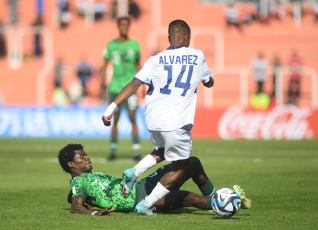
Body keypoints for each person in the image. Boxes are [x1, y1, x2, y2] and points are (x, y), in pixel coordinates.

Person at [102, 19, 215, 215]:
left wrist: (111, 107)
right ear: (187, 38)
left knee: (162, 149)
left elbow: (134, 84)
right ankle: (147, 203)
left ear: (169, 38)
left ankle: (133, 173)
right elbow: (209, 82)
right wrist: (207, 80)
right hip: (177, 121)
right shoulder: (197, 56)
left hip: (153, 119)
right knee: (182, 165)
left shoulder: (156, 59)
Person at [58, 144, 251, 215]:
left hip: (143, 185)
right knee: (186, 198)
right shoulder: (78, 182)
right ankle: (221, 205)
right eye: (81, 157)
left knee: (191, 162)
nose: (87, 158)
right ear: (70, 165)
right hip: (140, 200)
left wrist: (78, 198)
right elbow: (76, 206)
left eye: (86, 155)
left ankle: (214, 194)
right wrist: (94, 213)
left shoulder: (87, 178)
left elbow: (72, 197)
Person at [100, 16, 141, 161]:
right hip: (115, 87)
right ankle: (113, 151)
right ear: (118, 26)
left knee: (132, 118)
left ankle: (136, 152)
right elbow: (104, 65)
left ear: (129, 26)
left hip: (131, 88)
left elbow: (138, 65)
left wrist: (141, 85)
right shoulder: (111, 45)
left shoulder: (134, 45)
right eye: (121, 25)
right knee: (114, 119)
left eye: (126, 25)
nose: (124, 27)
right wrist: (102, 84)